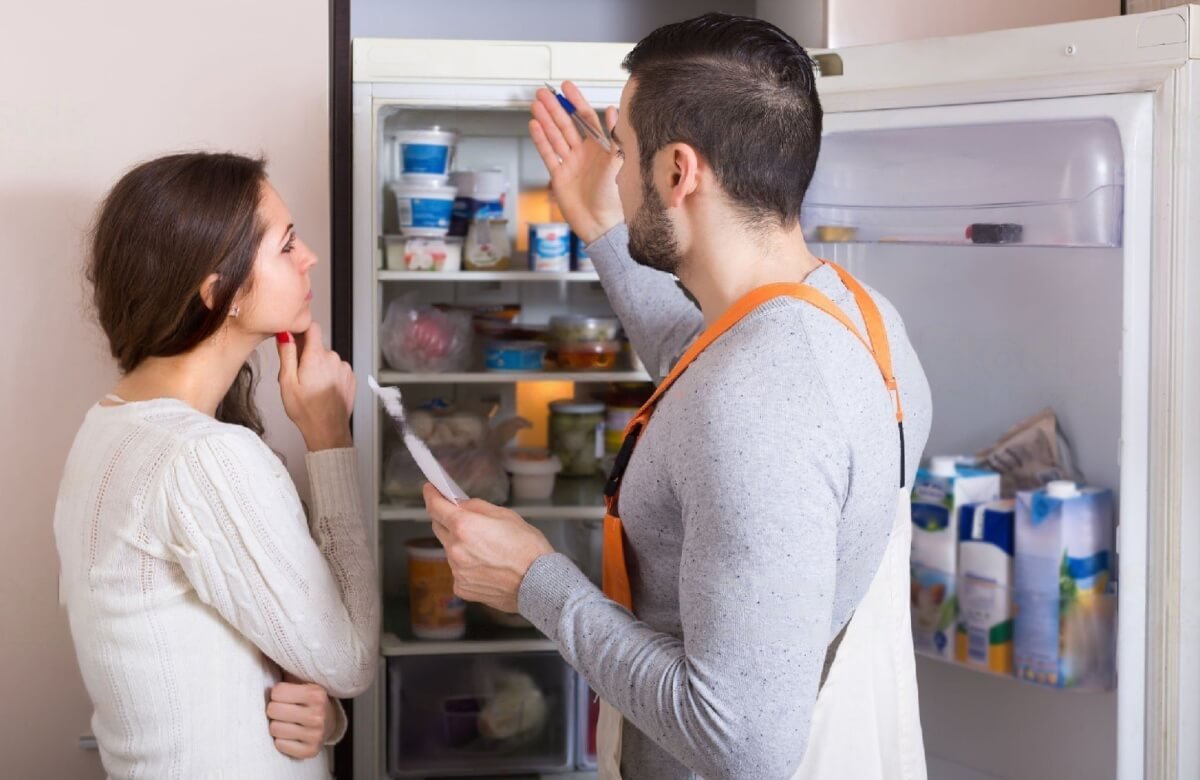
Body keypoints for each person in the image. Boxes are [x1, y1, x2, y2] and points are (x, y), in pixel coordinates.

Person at [423, 13, 934, 779]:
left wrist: (536, 581)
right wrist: (599, 222)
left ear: (678, 171)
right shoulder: (858, 317)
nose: (616, 172)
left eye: (623, 152)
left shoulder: (759, 407)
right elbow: (701, 362)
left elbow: (742, 745)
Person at [54, 152, 379, 778]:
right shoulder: (204, 459)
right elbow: (351, 659)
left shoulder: (110, 423)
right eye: (286, 246)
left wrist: (319, 710)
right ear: (216, 292)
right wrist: (330, 440)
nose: (308, 256)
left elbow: (231, 655)